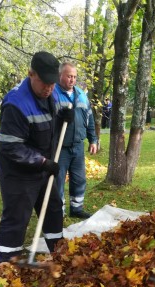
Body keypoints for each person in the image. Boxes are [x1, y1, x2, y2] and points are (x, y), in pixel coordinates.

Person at [0, 51, 74, 263]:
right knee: (17, 218)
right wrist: (42, 162)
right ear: (31, 74)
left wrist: (66, 116)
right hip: (18, 171)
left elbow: (53, 124)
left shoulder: (53, 93)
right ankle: (7, 264)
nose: (49, 88)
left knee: (53, 210)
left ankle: (59, 256)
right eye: (44, 83)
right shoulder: (16, 104)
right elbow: (10, 147)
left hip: (44, 167)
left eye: (52, 83)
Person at [55, 62, 98, 219]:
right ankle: (59, 212)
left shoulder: (81, 94)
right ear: (61, 75)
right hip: (60, 147)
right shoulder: (53, 94)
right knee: (58, 181)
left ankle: (77, 208)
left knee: (79, 179)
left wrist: (93, 139)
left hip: (77, 145)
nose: (72, 80)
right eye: (69, 76)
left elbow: (89, 118)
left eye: (74, 77)